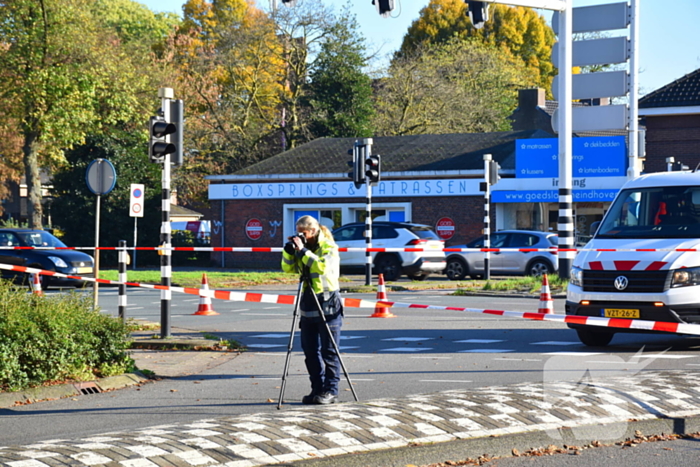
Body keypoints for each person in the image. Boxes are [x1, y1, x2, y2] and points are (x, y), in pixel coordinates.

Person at [281, 215, 344, 405]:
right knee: (309, 351)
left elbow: (322, 267)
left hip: (328, 303)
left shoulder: (329, 248)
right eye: (298, 232)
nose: (301, 236)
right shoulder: (304, 248)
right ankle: (316, 389)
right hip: (308, 301)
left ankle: (331, 391)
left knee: (329, 351)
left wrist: (303, 251)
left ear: (314, 230)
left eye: (304, 233)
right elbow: (288, 269)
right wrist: (289, 253)